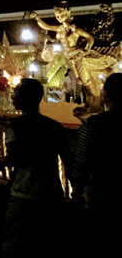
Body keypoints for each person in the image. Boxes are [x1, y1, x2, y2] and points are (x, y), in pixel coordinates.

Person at [0, 77, 69, 258]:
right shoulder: (54, 127)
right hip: (51, 191)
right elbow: (67, 159)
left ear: (26, 98)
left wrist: (1, 162)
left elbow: (15, 157)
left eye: (16, 93)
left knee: (16, 240)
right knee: (48, 241)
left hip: (24, 191)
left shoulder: (15, 126)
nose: (12, 96)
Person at [71, 73, 122, 231]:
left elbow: (81, 162)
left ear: (106, 96)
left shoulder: (93, 124)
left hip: (102, 191)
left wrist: (77, 192)